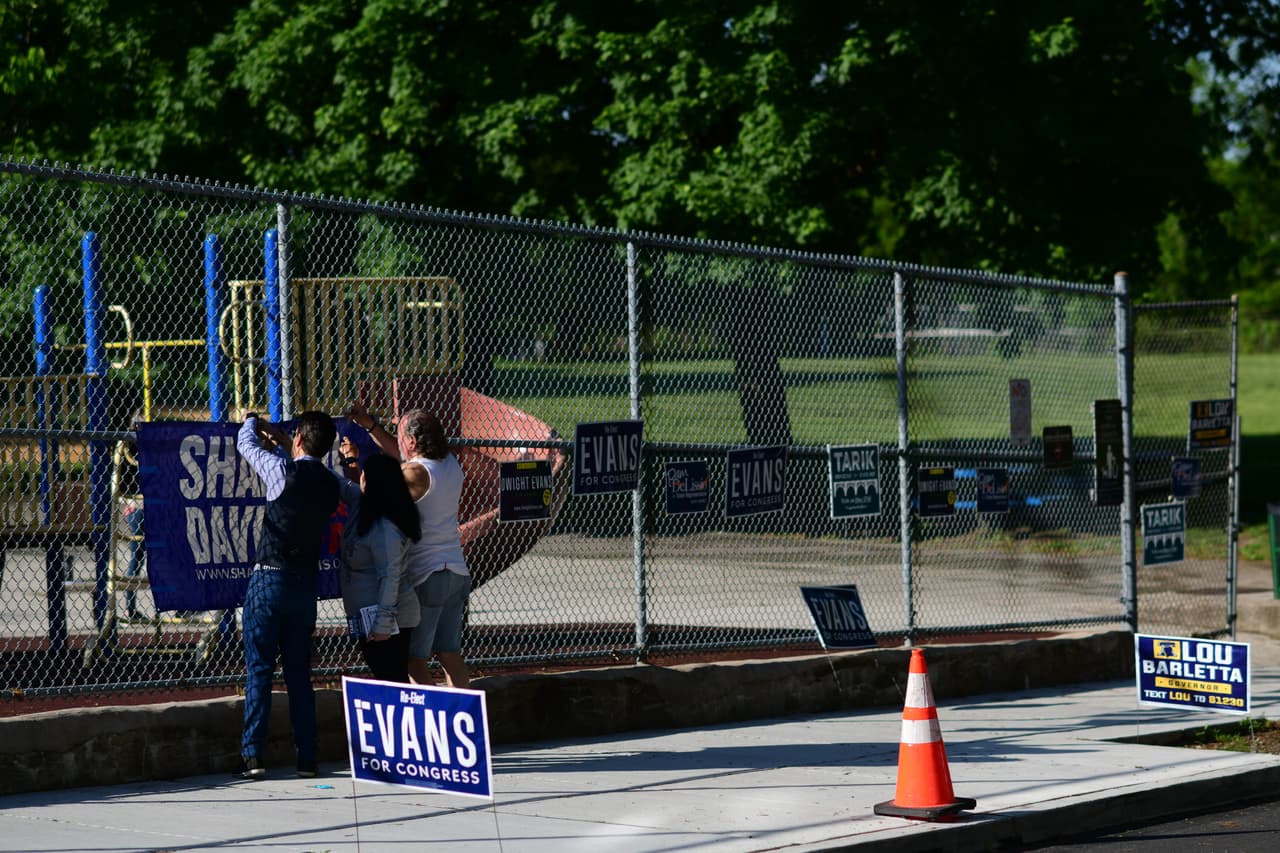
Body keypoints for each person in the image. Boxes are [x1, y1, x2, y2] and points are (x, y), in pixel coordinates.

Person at [235, 410, 340, 780]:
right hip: (303, 585)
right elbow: (311, 468)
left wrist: (251, 420)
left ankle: (252, 754)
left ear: (297, 438)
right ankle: (307, 757)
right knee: (299, 674)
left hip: (269, 579)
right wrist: (286, 443)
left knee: (260, 670)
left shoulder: (281, 471)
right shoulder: (332, 482)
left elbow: (244, 444)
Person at [348, 401, 470, 688]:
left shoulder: (415, 474)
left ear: (413, 441)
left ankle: (430, 719)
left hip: (428, 574)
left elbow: (377, 492)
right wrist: (371, 427)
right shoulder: (449, 463)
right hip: (455, 570)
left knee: (414, 659)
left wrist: (355, 463)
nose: (398, 441)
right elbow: (400, 454)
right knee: (449, 652)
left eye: (400, 435)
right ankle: (466, 717)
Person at [338, 444, 422, 682]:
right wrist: (295, 452)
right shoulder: (363, 503)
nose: (360, 476)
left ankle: (406, 721)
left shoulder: (386, 527)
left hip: (388, 622)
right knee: (387, 678)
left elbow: (391, 575)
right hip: (366, 616)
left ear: (375, 482)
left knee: (393, 681)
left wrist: (383, 624)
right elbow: (340, 484)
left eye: (364, 473)